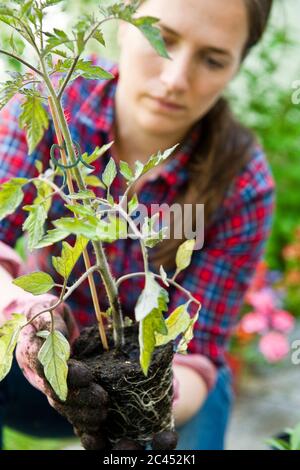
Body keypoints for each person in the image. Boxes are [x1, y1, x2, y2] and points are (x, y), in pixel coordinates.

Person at [0, 0, 275, 450]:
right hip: (36, 369)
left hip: (164, 382)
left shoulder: (242, 183)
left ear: (237, 66)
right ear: (123, 25)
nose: (174, 79)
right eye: (161, 38)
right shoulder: (52, 96)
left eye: (212, 59)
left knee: (182, 428)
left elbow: (198, 348)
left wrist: (152, 401)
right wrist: (26, 320)